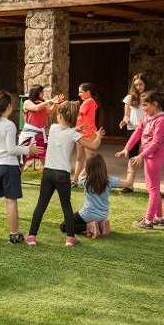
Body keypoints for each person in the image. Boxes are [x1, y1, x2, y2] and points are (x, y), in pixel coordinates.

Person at [26, 101, 105, 247]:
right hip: (62, 174)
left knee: (41, 205)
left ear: (61, 116)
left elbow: (64, 131)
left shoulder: (53, 128)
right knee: (66, 207)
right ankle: (70, 238)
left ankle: (31, 236)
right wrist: (98, 136)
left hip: (48, 172)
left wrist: (75, 130)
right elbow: (93, 145)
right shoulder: (73, 133)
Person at [0, 91, 43, 244]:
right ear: (9, 106)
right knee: (11, 201)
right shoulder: (9, 125)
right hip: (8, 167)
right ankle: (14, 235)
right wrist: (29, 149)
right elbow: (11, 149)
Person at [116, 91, 164, 230]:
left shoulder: (161, 120)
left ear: (155, 104)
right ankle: (159, 218)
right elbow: (137, 132)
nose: (143, 108)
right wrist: (127, 148)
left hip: (155, 157)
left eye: (145, 105)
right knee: (154, 188)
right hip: (148, 156)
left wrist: (141, 156)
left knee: (152, 189)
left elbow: (156, 142)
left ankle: (148, 221)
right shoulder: (146, 116)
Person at [60, 153, 134, 238]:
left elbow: (80, 176)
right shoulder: (109, 181)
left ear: (88, 167)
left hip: (87, 214)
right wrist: (131, 169)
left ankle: (91, 226)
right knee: (75, 222)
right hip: (103, 215)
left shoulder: (85, 181)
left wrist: (87, 165)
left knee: (64, 226)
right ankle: (99, 225)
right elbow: (128, 183)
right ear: (103, 166)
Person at [18, 85, 64, 170]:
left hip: (40, 136)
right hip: (29, 136)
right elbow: (35, 108)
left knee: (45, 159)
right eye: (42, 92)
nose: (43, 94)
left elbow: (50, 111)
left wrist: (56, 103)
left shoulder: (42, 103)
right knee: (23, 161)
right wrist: (49, 101)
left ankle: (47, 177)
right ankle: (17, 178)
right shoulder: (27, 102)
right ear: (36, 93)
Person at [118, 73, 148, 193]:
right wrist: (124, 121)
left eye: (141, 84)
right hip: (132, 130)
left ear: (145, 84)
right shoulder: (129, 98)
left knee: (149, 158)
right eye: (136, 85)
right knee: (132, 157)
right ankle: (129, 185)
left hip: (147, 131)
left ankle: (153, 187)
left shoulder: (150, 98)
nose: (138, 87)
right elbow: (126, 116)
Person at [72, 83, 98, 187]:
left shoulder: (89, 101)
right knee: (79, 158)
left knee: (91, 160)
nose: (79, 94)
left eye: (81, 92)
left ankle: (81, 178)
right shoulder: (86, 102)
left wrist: (65, 106)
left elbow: (77, 113)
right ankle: (74, 181)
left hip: (88, 134)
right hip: (80, 134)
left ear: (88, 92)